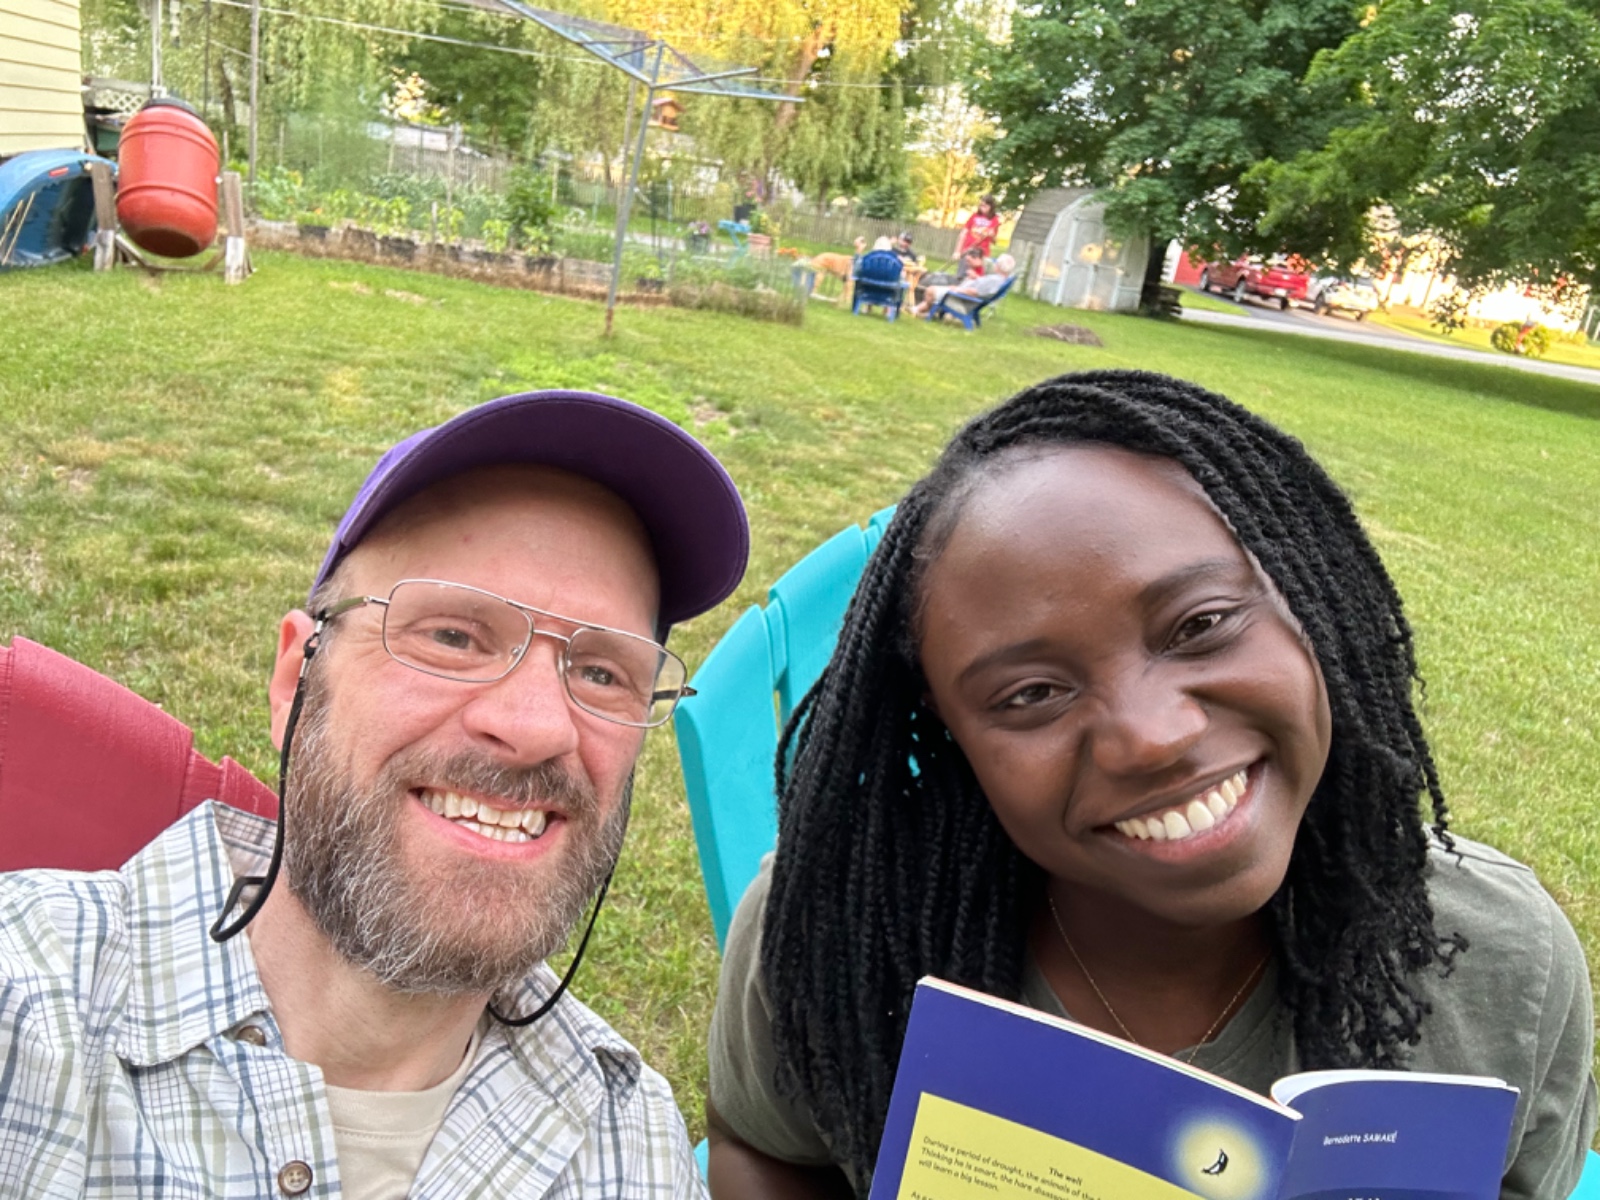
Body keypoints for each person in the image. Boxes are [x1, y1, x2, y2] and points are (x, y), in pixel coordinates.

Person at [705, 370, 1597, 1200]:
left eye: (1201, 624)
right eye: (1031, 695)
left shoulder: (1502, 965)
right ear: (951, 737)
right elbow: (760, 1147)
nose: (1152, 738)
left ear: (1313, 605)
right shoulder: (832, 932)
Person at [0, 389, 750, 1198]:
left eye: (602, 673)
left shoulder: (630, 1142)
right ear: (296, 681)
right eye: (454, 636)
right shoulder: (25, 1012)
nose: (538, 727)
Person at [914, 252, 1014, 318]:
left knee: (930, 290)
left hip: (962, 300)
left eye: (997, 263)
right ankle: (920, 310)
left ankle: (918, 310)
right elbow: (981, 288)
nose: (995, 265)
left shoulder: (994, 280)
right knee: (937, 284)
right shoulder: (998, 279)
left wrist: (956, 290)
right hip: (965, 296)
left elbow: (974, 292)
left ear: (999, 266)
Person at [955, 193, 1000, 260]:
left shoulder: (994, 219)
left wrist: (992, 235)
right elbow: (963, 234)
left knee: (976, 271)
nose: (982, 208)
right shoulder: (974, 216)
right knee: (963, 270)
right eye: (981, 205)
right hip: (967, 251)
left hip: (982, 254)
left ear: (991, 206)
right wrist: (957, 251)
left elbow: (994, 241)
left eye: (985, 206)